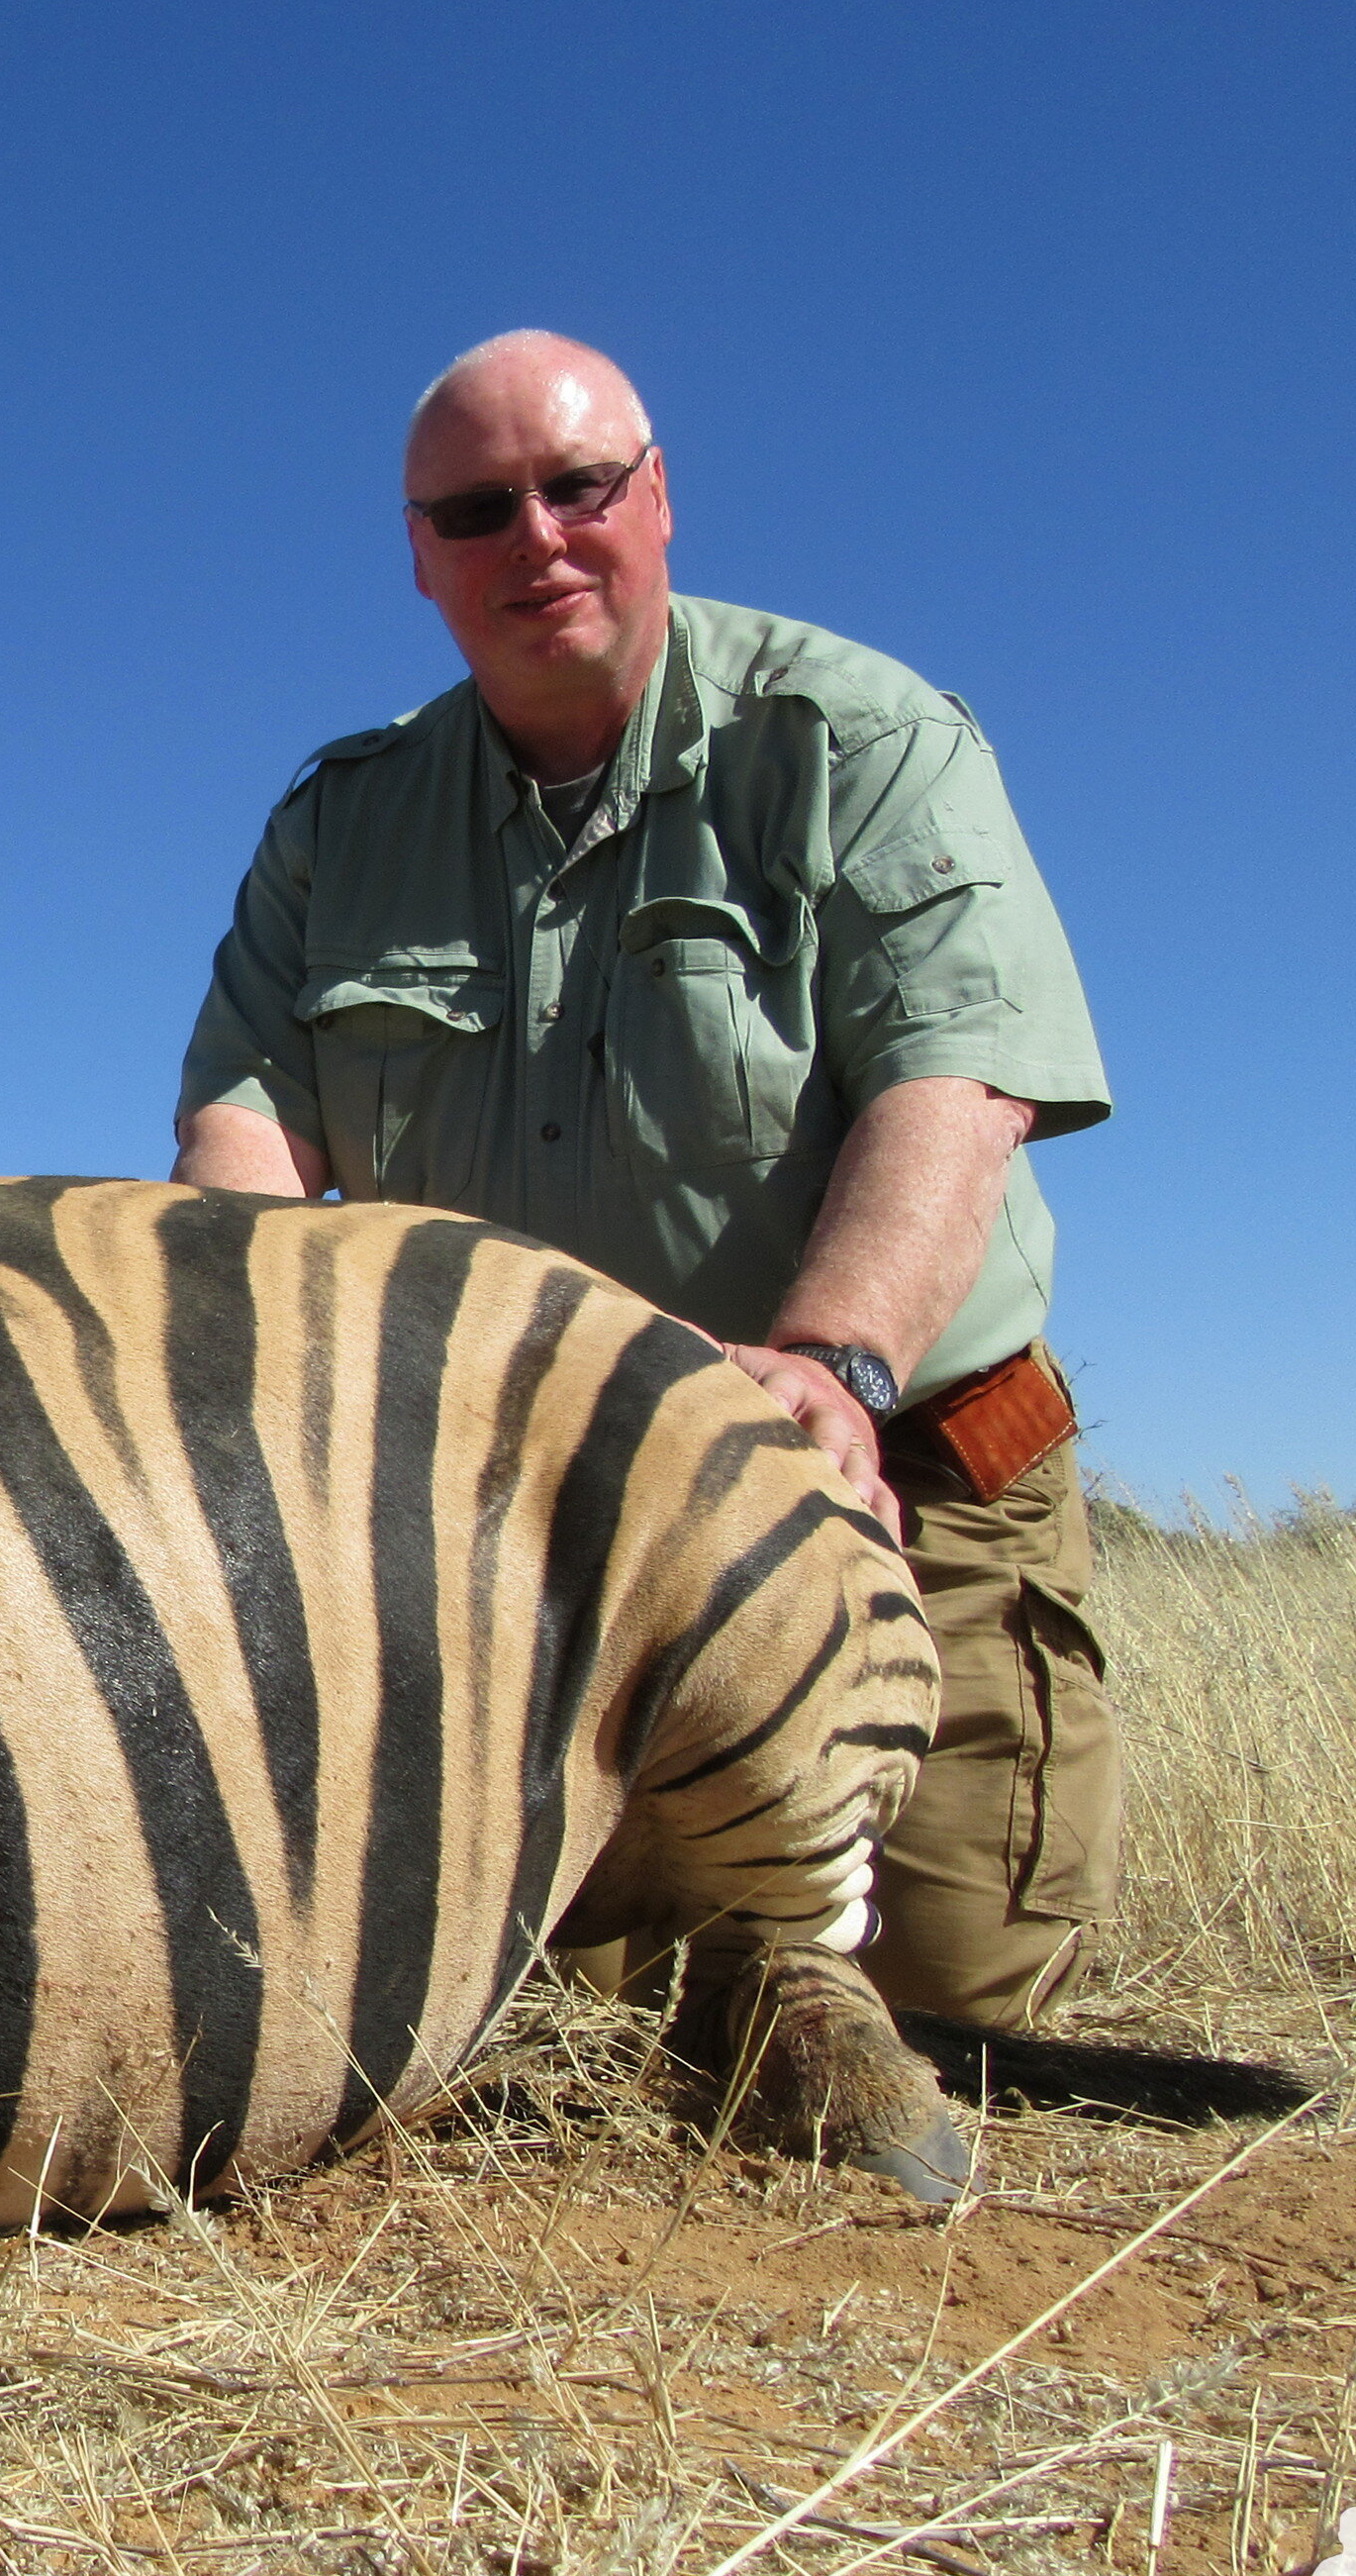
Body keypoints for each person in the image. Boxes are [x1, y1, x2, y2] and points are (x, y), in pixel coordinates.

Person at [172, 331, 1117, 2027]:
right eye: (474, 510)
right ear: (418, 556)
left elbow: (960, 1088)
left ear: (657, 496)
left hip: (884, 1486)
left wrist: (829, 1366)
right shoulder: (341, 823)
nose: (534, 538)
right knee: (536, 2040)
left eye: (577, 486)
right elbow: (244, 1142)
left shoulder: (860, 739)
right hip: (531, 1537)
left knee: (946, 2024)